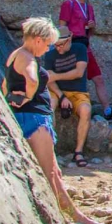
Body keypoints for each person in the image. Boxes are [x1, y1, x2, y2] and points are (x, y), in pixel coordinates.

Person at [5, 18, 102, 224]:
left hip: (29, 116)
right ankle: (67, 220)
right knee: (50, 174)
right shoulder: (28, 58)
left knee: (55, 171)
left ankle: (74, 215)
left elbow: (5, 84)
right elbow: (31, 80)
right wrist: (28, 96)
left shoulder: (15, 54)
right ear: (38, 40)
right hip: (35, 119)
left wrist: (12, 98)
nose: (49, 48)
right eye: (48, 44)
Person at [58, 0, 112, 119]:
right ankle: (70, 107)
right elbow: (62, 26)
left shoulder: (89, 8)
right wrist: (66, 45)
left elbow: (91, 32)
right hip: (73, 46)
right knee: (74, 78)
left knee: (98, 78)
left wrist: (92, 26)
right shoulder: (68, 4)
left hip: (85, 46)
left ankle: (108, 111)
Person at [43, 24, 92, 168]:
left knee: (86, 110)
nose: (58, 48)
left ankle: (78, 151)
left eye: (60, 45)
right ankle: (49, 148)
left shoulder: (79, 49)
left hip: (78, 92)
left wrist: (56, 76)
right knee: (49, 106)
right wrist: (61, 96)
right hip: (57, 91)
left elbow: (78, 72)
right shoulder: (50, 55)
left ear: (69, 38)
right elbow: (49, 81)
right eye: (55, 45)